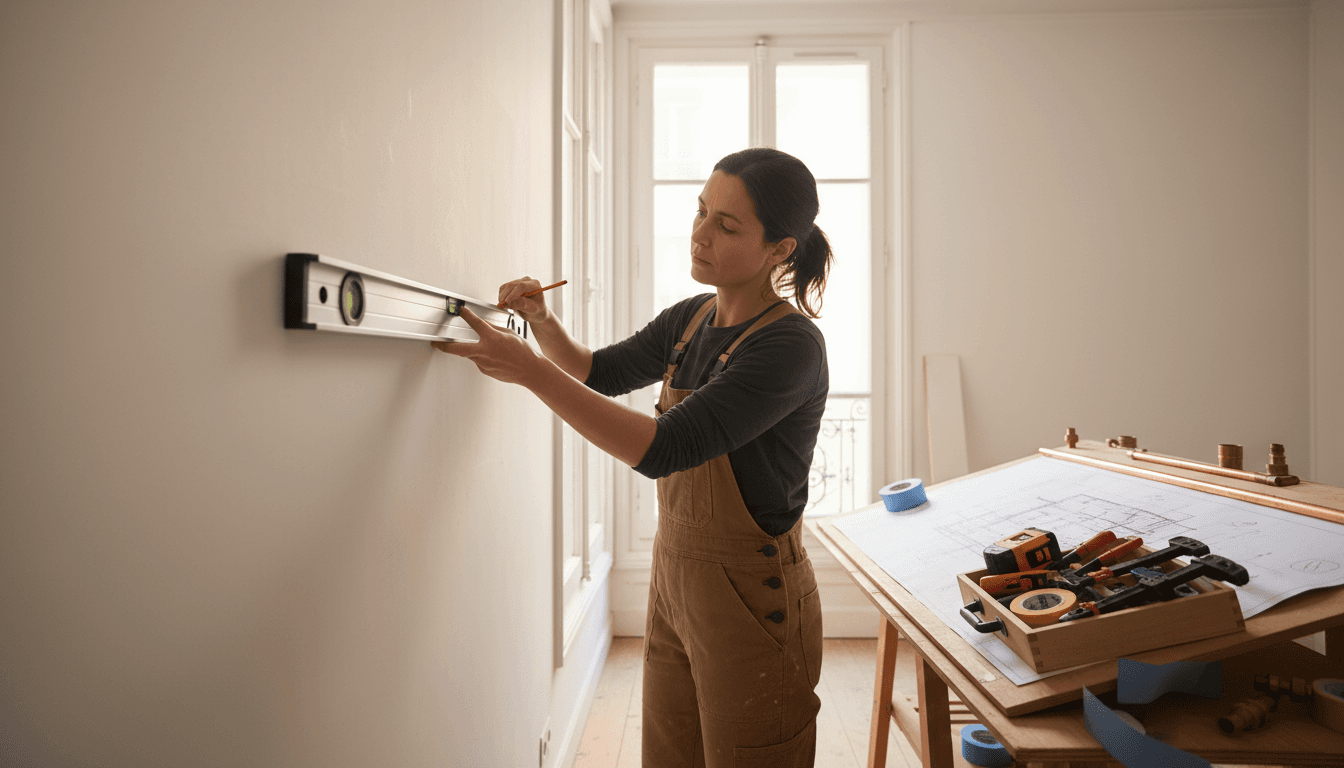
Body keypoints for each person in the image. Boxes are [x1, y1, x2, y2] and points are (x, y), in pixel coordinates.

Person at [434, 147, 832, 767]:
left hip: (751, 601)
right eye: (701, 211)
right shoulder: (691, 318)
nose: (699, 234)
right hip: (675, 579)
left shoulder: (791, 347)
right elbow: (598, 372)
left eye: (726, 226)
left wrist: (531, 374)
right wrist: (542, 322)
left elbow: (665, 448)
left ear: (781, 249)